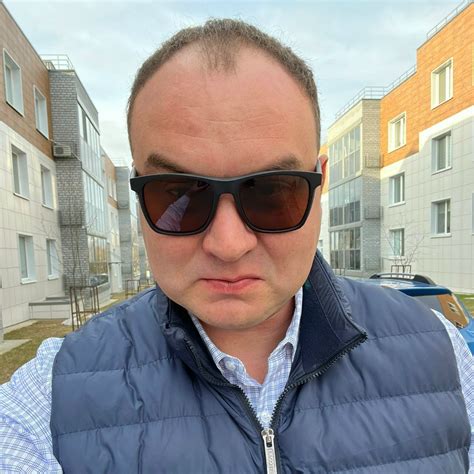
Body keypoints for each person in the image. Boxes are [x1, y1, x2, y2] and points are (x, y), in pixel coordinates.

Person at [0, 19, 472, 473]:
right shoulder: (50, 398)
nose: (228, 244)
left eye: (272, 191)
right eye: (178, 194)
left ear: (319, 186)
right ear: (139, 195)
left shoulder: (443, 356)